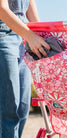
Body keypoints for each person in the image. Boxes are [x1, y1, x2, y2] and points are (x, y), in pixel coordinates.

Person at [0, 0, 50, 137]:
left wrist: (43, 36)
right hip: (4, 37)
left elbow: (30, 9)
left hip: (23, 38)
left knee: (22, 109)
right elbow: (1, 9)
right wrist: (30, 36)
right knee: (9, 112)